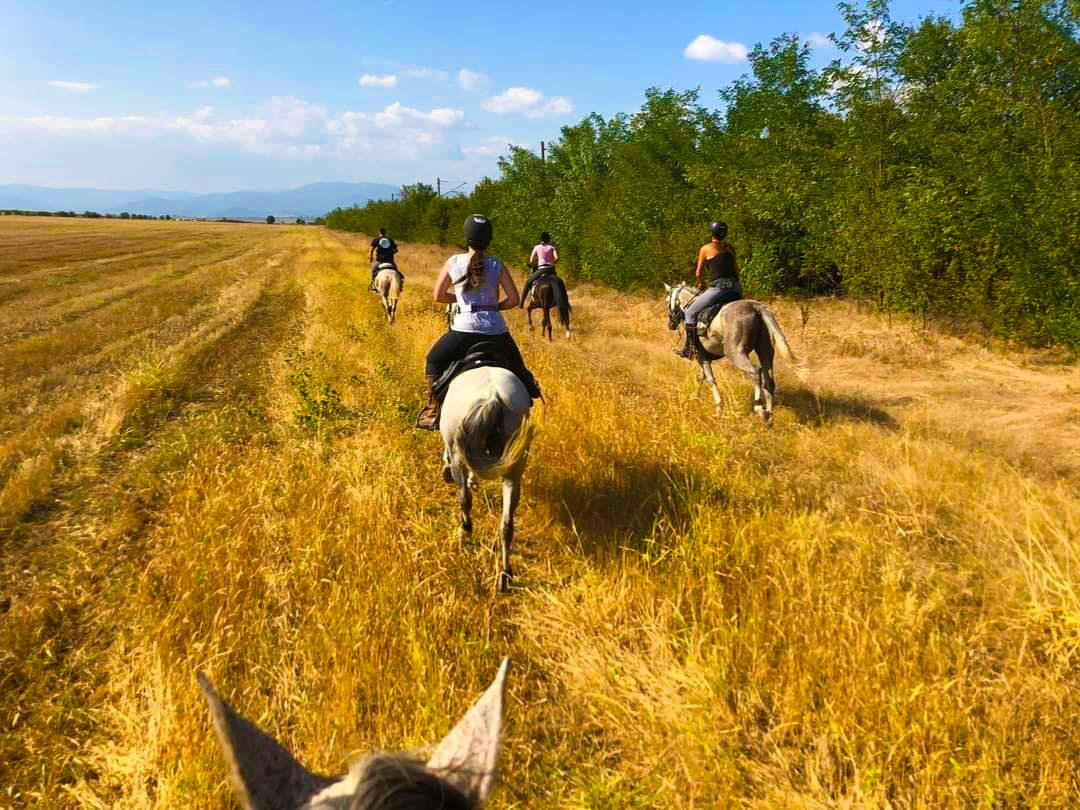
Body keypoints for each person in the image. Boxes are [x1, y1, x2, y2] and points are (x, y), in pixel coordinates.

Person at [417, 215, 540, 430]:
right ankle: (531, 390)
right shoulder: (496, 264)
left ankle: (433, 410)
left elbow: (438, 295)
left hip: (463, 329)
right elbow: (514, 300)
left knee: (434, 359)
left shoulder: (454, 262)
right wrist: (493, 307)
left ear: (466, 237)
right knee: (519, 367)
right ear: (488, 239)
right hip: (496, 331)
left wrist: (462, 301)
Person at [675, 221, 742, 358]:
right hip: (735, 289)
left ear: (711, 233)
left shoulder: (706, 249)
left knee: (690, 313)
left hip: (719, 289)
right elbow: (737, 271)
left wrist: (701, 284)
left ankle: (691, 349)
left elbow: (698, 273)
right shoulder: (731, 248)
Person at [368, 227, 399, 291]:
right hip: (390, 261)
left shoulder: (376, 239)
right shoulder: (390, 240)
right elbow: (396, 250)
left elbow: (371, 250)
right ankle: (399, 284)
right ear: (385, 232)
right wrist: (390, 252)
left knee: (374, 271)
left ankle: (373, 285)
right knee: (397, 272)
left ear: (379, 232)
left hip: (380, 260)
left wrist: (370, 258)